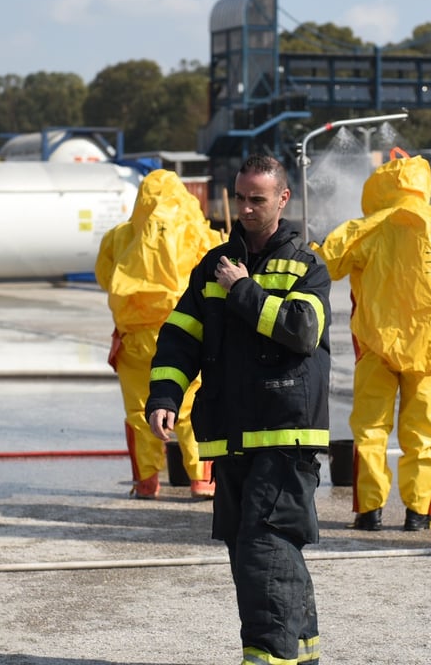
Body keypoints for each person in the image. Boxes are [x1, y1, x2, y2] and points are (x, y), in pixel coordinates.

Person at [146, 154, 331, 665]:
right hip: (230, 436)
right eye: (241, 198)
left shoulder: (307, 265)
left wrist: (243, 290)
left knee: (262, 548)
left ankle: (270, 658)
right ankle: (301, 652)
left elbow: (302, 331)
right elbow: (180, 337)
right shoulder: (213, 264)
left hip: (285, 437)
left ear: (282, 199)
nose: (247, 209)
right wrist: (165, 396)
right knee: (261, 549)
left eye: (259, 199)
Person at [313, 151, 431, 532]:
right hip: (430, 351)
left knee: (371, 431)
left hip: (375, 347)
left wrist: (305, 246)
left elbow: (325, 264)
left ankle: (369, 512)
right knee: (421, 435)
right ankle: (419, 514)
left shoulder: (367, 228)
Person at [95, 168, 224, 499]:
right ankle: (202, 480)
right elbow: (216, 275)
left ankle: (147, 481)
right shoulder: (198, 232)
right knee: (193, 406)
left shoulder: (118, 237)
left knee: (140, 412)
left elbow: (105, 277)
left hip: (134, 339)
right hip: (185, 333)